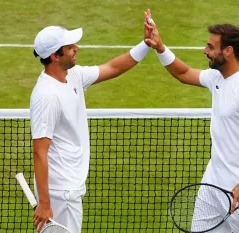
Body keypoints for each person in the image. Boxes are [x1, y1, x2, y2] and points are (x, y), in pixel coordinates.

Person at [144, 9, 239, 233]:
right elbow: (183, 73)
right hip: (211, 185)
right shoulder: (217, 77)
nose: (205, 51)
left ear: (229, 51)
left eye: (210, 47)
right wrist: (160, 47)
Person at [29, 24, 151, 233]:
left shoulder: (73, 76)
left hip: (69, 187)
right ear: (55, 56)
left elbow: (113, 68)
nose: (77, 47)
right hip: (61, 192)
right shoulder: (47, 96)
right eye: (69, 47)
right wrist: (46, 203)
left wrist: (146, 44)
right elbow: (40, 151)